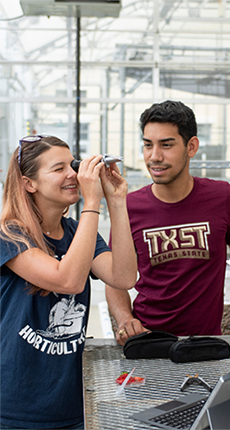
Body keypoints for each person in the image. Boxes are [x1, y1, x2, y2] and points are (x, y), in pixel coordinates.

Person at [0, 136, 137, 428]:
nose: (73, 174)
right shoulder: (9, 235)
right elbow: (69, 281)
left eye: (72, 164)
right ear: (29, 183)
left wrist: (117, 201)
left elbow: (124, 277)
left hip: (70, 403)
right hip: (16, 406)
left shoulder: (76, 232)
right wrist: (91, 203)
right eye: (58, 168)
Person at [106, 100, 230, 343]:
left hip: (206, 344)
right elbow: (115, 278)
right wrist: (125, 318)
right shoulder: (128, 206)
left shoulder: (223, 197)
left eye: (166, 145)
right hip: (148, 342)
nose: (154, 156)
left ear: (191, 146)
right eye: (148, 145)